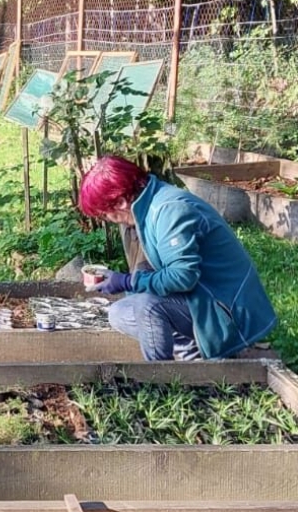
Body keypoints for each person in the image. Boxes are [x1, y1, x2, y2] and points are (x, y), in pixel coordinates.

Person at [78, 154, 277, 361]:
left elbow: (182, 277)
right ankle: (192, 354)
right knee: (120, 312)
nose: (109, 220)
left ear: (120, 201)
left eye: (105, 214)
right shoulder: (146, 209)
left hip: (230, 310)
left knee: (148, 306)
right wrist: (126, 283)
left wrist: (128, 281)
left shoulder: (170, 210)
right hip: (201, 300)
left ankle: (161, 376)